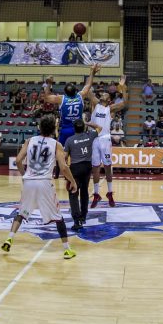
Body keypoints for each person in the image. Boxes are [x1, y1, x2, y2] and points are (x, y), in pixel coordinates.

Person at [1, 115, 78, 259]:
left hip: (29, 181)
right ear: (53, 129)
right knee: (58, 217)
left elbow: (18, 160)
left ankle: (9, 238)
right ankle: (67, 249)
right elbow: (63, 167)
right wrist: (73, 181)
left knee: (21, 212)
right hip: (44, 182)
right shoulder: (56, 144)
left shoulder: (29, 140)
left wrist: (24, 175)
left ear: (40, 127)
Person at [88, 69, 128, 208]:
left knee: (107, 167)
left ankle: (110, 193)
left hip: (105, 140)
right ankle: (96, 194)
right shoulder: (95, 103)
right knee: (95, 168)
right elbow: (88, 89)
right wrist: (92, 73)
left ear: (109, 99)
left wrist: (123, 87)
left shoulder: (110, 109)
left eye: (106, 93)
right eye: (103, 93)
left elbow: (125, 103)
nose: (104, 93)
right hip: (94, 139)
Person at [41, 66, 96, 147]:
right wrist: (92, 72)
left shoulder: (61, 99)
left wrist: (49, 83)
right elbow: (88, 85)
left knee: (62, 151)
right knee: (78, 151)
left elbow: (46, 97)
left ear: (65, 92)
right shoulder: (80, 96)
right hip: (78, 130)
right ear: (76, 91)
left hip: (65, 129)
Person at [64, 119, 100, 230]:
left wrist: (66, 174)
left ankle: (77, 220)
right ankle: (83, 216)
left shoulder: (69, 140)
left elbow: (64, 157)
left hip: (75, 168)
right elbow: (99, 128)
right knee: (84, 192)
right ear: (83, 127)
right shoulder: (90, 135)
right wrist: (88, 123)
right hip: (87, 167)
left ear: (74, 128)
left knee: (73, 193)